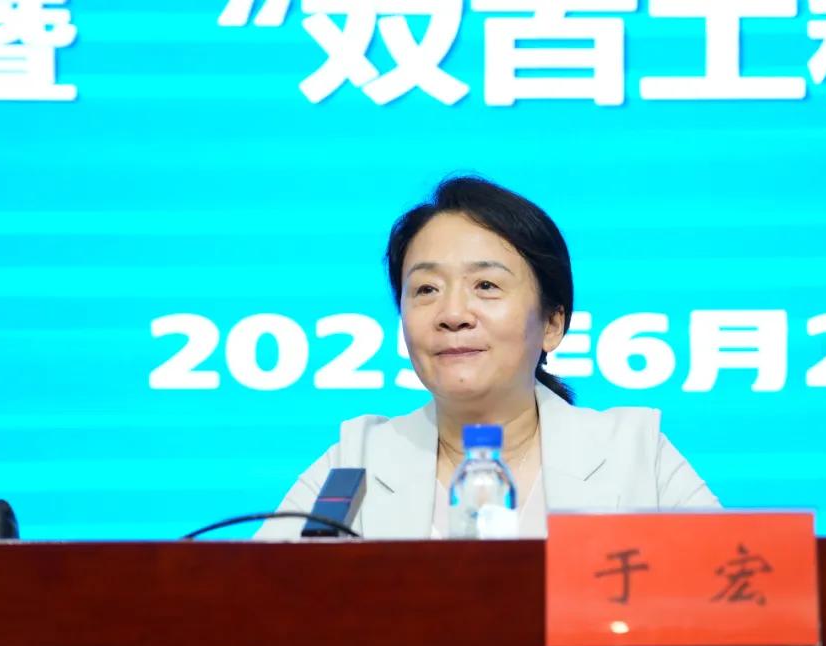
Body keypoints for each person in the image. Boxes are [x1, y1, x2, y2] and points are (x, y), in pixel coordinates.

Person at [255, 176, 720, 541]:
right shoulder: (357, 458)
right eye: (426, 290)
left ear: (552, 323)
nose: (453, 314)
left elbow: (733, 598)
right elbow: (256, 601)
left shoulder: (634, 452)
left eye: (486, 286)